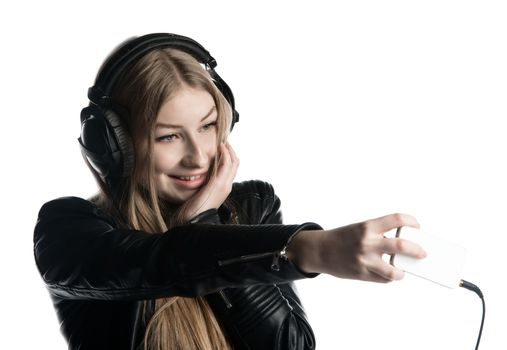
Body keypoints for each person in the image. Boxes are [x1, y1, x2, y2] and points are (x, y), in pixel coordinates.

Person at [33, 33, 426, 350]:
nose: (199, 156)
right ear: (115, 146)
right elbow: (161, 262)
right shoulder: (69, 232)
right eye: (168, 136)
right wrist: (309, 248)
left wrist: (209, 221)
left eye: (207, 126)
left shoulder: (252, 206)